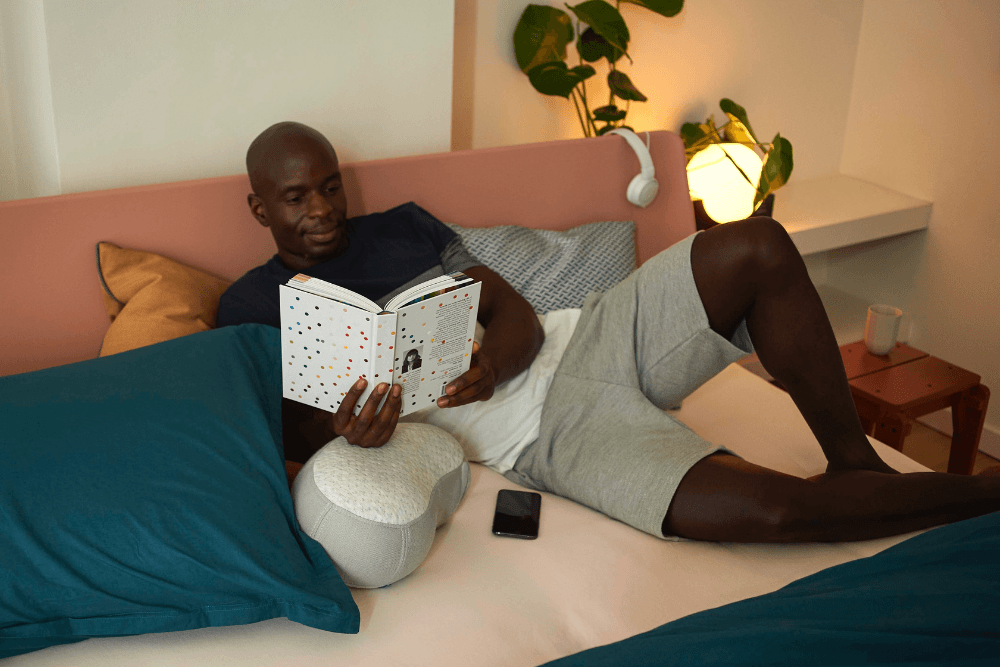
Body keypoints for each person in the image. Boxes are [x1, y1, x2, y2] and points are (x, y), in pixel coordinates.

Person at [218, 121, 1000, 544]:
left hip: (585, 335)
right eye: (295, 198)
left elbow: (512, 307)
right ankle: (976, 497)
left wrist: (493, 360)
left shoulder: (402, 229)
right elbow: (290, 430)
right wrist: (346, 432)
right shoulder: (252, 305)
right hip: (547, 434)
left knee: (758, 243)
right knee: (772, 514)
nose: (322, 210)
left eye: (329, 187)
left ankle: (856, 463)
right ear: (261, 209)